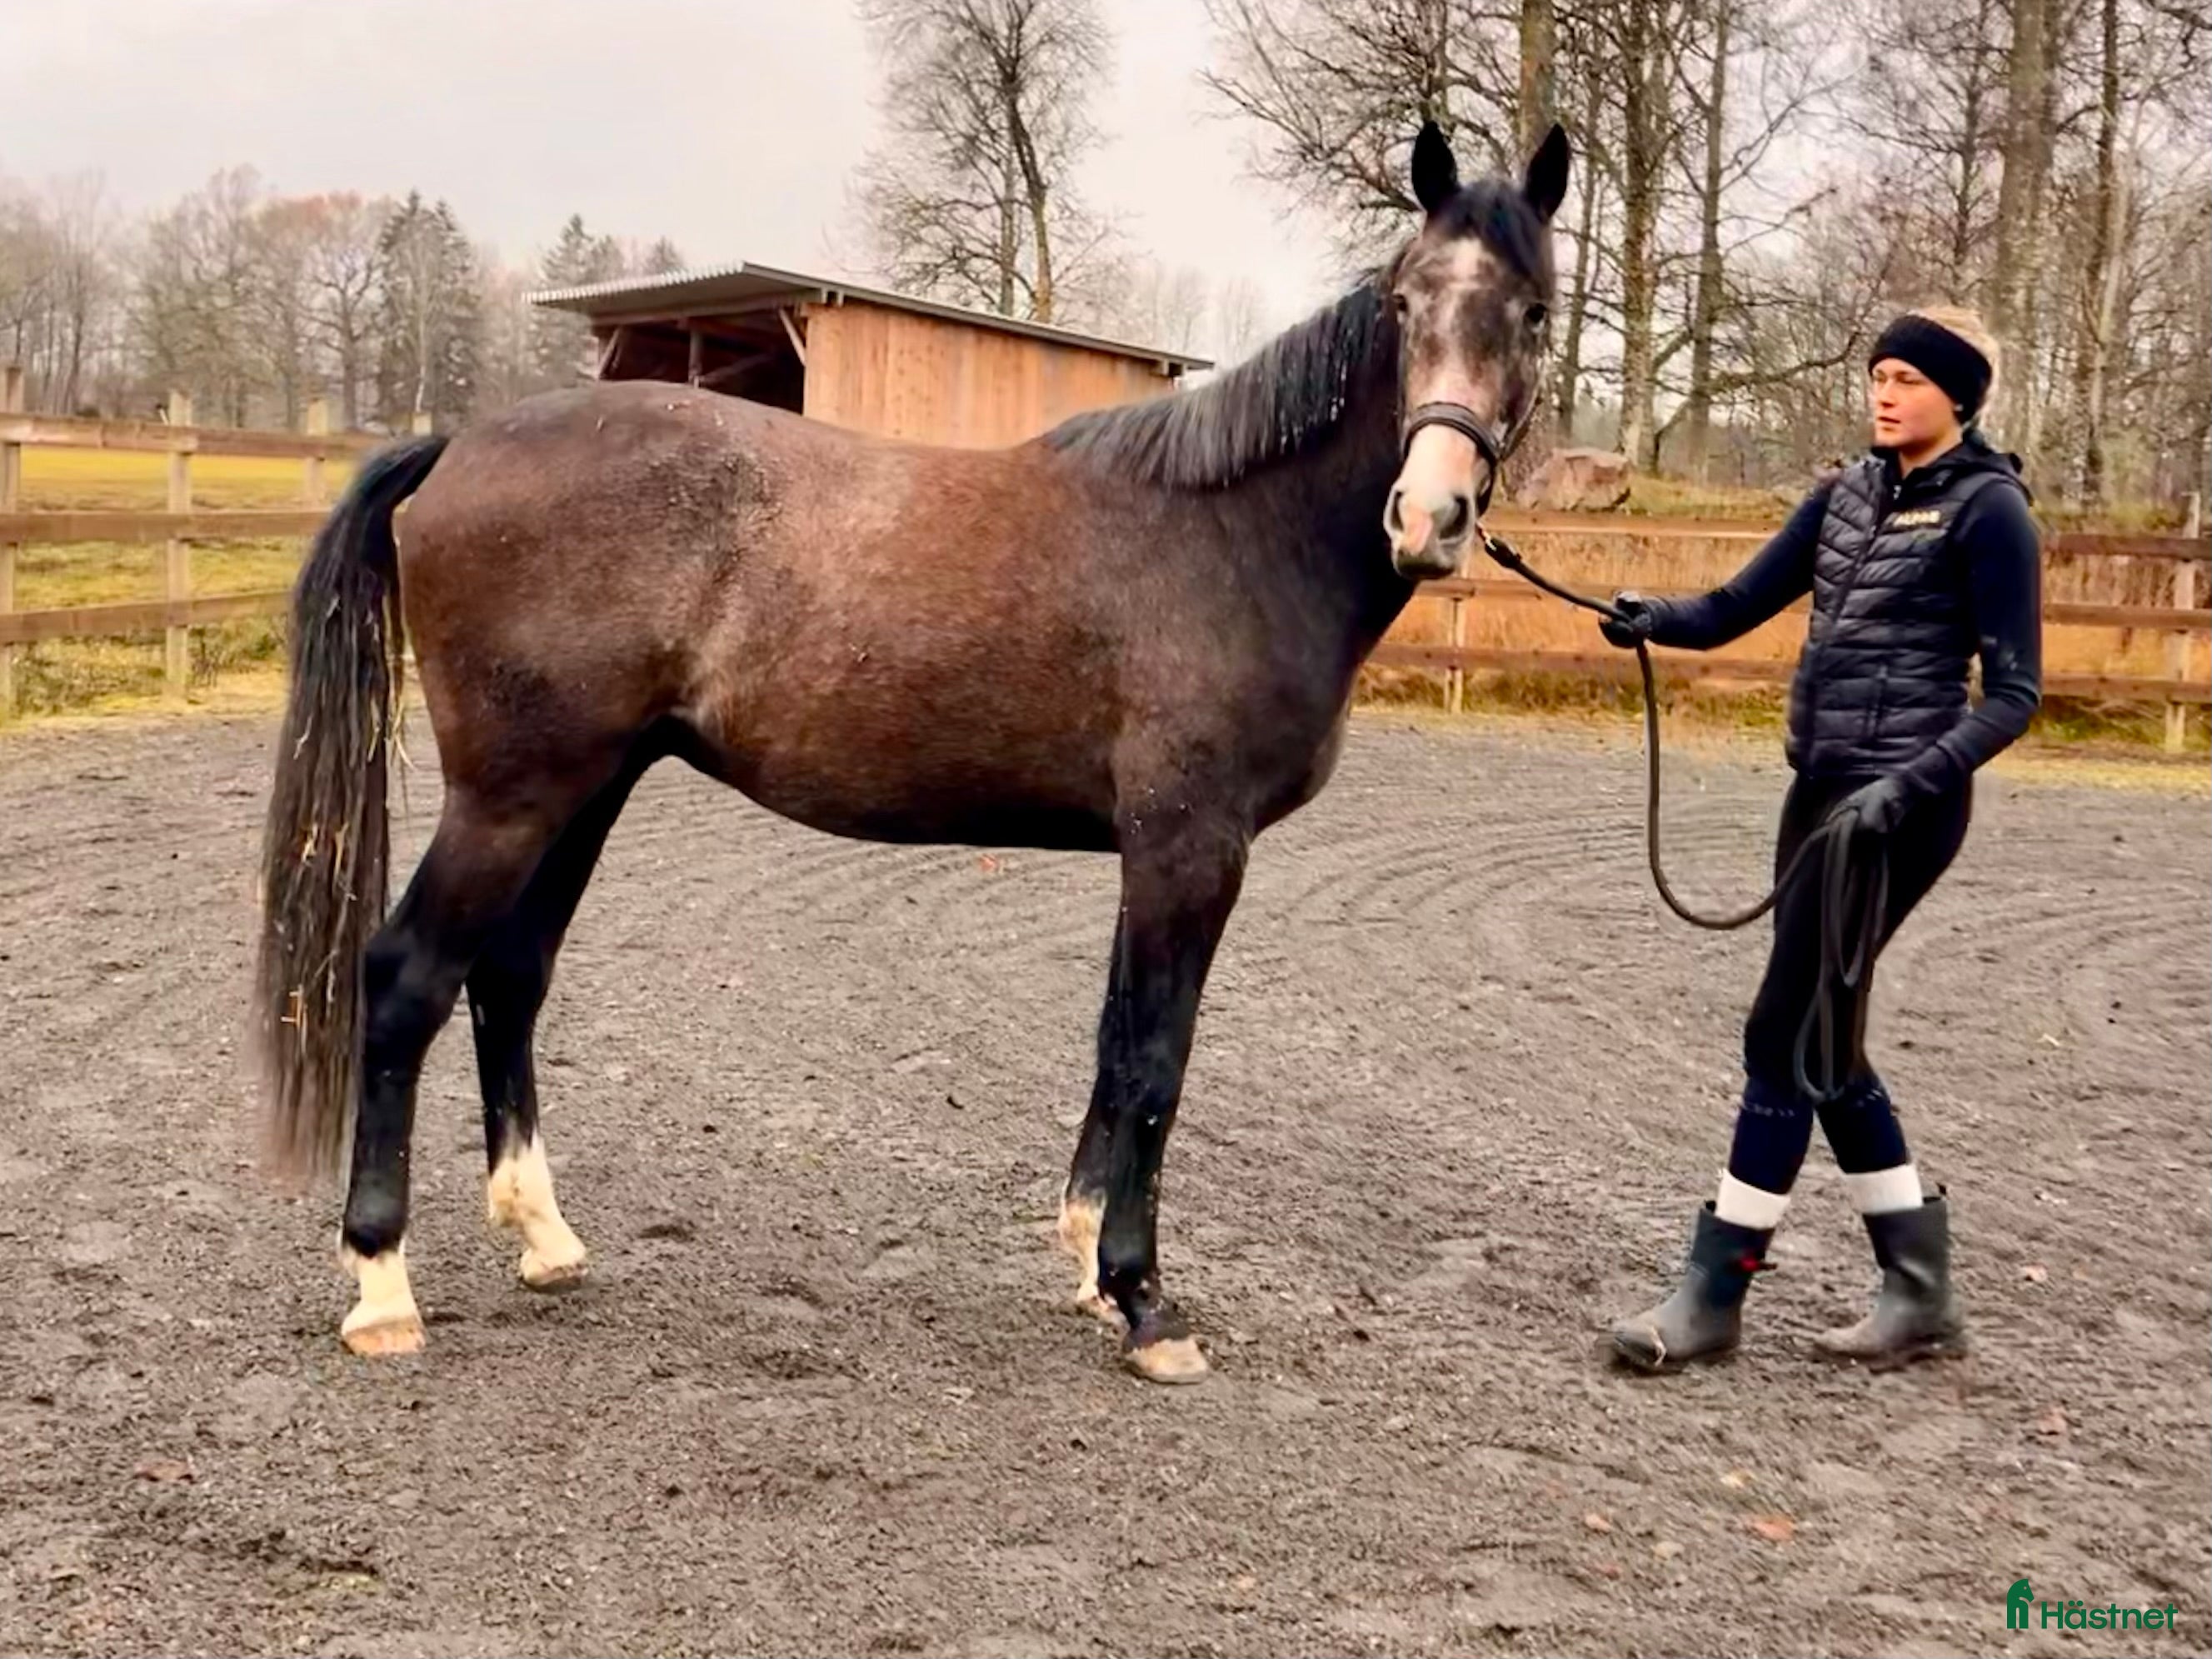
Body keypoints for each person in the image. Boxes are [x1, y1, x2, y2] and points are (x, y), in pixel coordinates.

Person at [1602, 306, 2043, 1372]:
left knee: (1780, 1035)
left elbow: (2017, 692)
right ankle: (1919, 1285)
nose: (1885, 393)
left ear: (1959, 396)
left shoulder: (1991, 513)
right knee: (1825, 1043)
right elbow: (1732, 605)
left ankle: (1714, 1291)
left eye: (1908, 379)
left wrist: (1909, 783)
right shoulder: (1844, 495)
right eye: (1879, 374)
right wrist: (1650, 617)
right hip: (1819, 796)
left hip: (1903, 808)